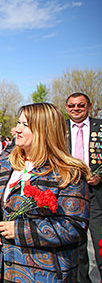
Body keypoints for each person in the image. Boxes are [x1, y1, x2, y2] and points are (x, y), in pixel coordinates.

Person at [0, 102, 90, 282]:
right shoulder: (7, 161)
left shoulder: (68, 173)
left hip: (42, 272)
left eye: (25, 125)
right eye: (18, 123)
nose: (17, 130)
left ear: (45, 130)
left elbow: (74, 226)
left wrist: (20, 230)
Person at [65, 92, 102, 282]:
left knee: (100, 243)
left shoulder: (100, 127)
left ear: (89, 106)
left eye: (80, 105)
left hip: (96, 195)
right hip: (70, 195)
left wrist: (100, 176)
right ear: (66, 108)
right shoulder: (59, 129)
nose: (76, 109)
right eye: (72, 106)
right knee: (77, 248)